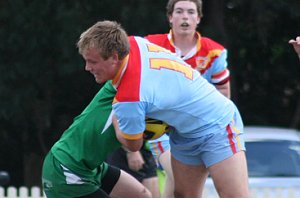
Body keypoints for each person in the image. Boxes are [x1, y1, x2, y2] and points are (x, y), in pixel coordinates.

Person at [77, 20, 249, 198]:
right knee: (182, 195)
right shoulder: (133, 42)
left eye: (92, 62)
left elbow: (133, 144)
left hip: (217, 124)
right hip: (184, 133)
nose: (87, 67)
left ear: (114, 57)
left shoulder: (129, 97)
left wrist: (116, 122)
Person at [144, 0, 231, 197]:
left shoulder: (214, 52)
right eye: (179, 11)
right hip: (161, 127)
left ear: (198, 19)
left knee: (181, 187)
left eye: (191, 12)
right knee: (178, 173)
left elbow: (224, 91)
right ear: (170, 17)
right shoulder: (150, 45)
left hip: (198, 129)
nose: (185, 16)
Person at [41, 44, 152, 198]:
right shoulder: (123, 85)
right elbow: (131, 143)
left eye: (92, 62)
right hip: (65, 169)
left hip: (89, 167)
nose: (87, 68)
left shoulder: (142, 85)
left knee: (141, 195)